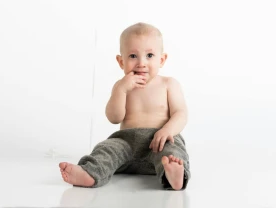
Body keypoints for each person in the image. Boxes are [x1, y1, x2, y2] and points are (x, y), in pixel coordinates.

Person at [59, 22, 191, 190]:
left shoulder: (168, 84)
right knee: (106, 149)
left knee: (172, 151)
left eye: (149, 55)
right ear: (121, 61)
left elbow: (181, 114)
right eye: (133, 56)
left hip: (159, 141)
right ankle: (90, 173)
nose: (141, 63)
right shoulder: (121, 86)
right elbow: (114, 118)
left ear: (162, 59)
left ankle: (173, 174)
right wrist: (121, 90)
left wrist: (167, 131)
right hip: (126, 142)